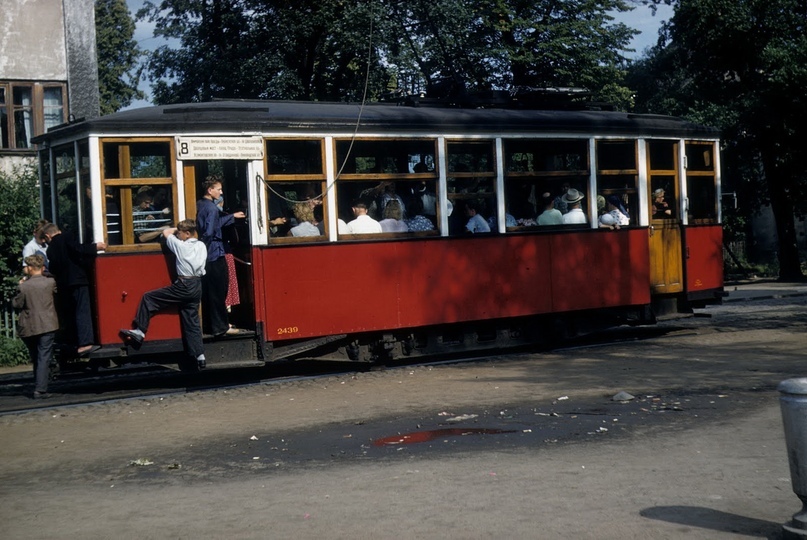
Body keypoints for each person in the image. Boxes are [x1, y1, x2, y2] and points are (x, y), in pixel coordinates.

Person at [120, 220, 208, 370]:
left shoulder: (180, 245)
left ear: (187, 234)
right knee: (191, 320)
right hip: (197, 285)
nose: (178, 235)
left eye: (180, 233)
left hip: (184, 284)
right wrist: (184, 229)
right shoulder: (201, 245)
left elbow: (166, 233)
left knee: (149, 297)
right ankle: (200, 356)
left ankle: (140, 331)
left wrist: (173, 229)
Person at [41, 223, 106, 355]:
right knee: (82, 310)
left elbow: (53, 268)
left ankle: (72, 341)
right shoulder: (67, 237)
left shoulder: (50, 249)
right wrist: (95, 247)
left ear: (48, 235)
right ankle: (85, 343)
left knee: (70, 312)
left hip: (63, 284)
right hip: (78, 280)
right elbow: (78, 249)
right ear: (57, 231)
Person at [197, 176, 245, 337]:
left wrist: (231, 217)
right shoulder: (211, 208)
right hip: (214, 253)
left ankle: (213, 324)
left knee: (210, 291)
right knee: (219, 290)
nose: (221, 192)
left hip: (208, 253)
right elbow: (210, 232)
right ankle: (220, 327)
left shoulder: (201, 204)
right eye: (218, 189)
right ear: (210, 190)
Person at [13, 254, 58, 399]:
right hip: (48, 324)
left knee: (36, 356)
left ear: (31, 268)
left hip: (29, 326)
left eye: (26, 266)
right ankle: (40, 388)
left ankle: (39, 384)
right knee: (44, 356)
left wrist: (20, 285)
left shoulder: (24, 287)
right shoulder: (50, 282)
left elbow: (16, 304)